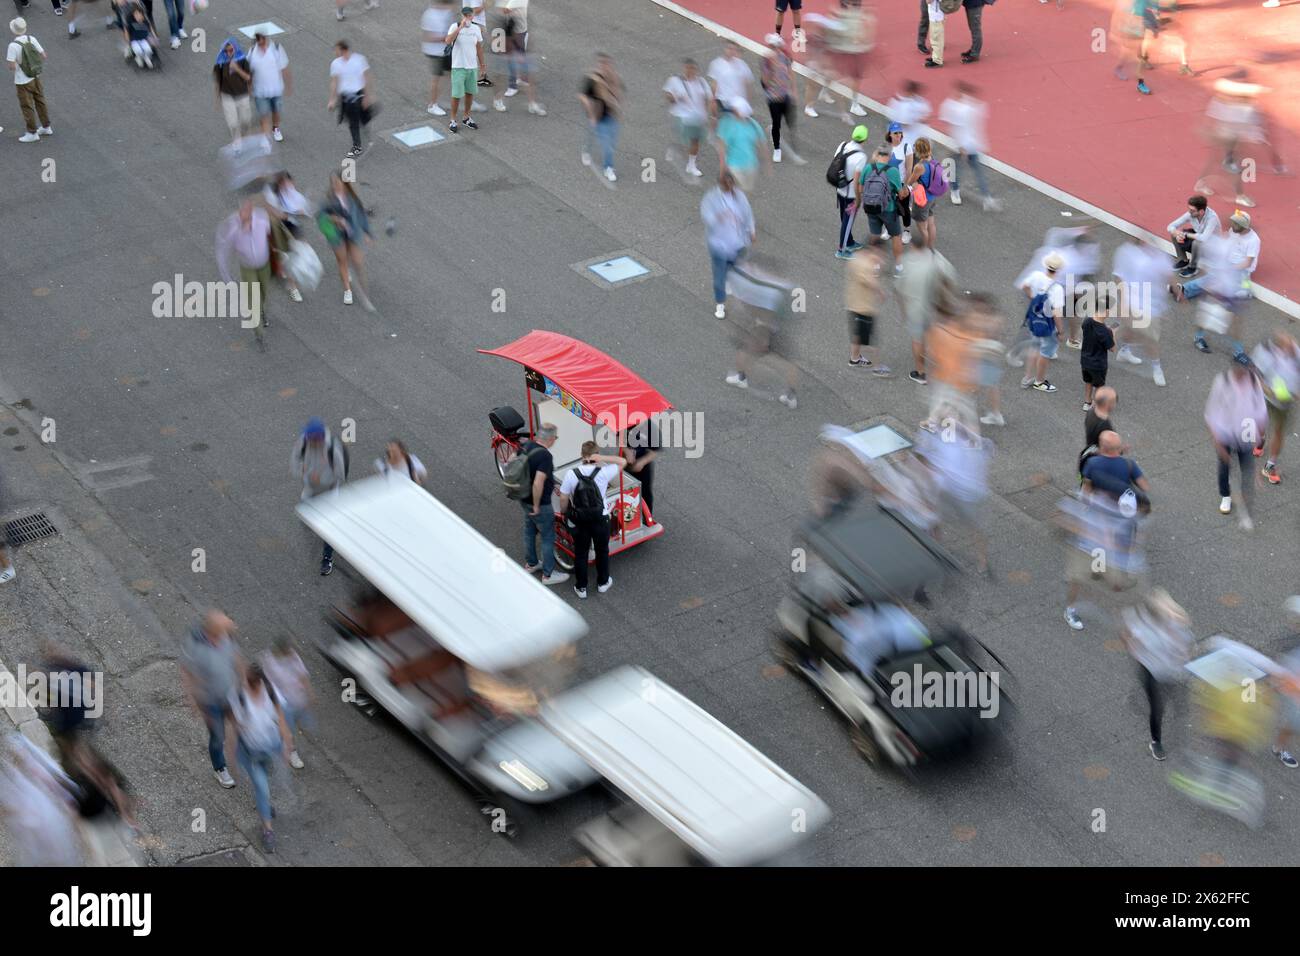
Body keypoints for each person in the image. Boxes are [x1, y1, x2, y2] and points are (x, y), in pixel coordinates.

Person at [1063, 430, 1149, 630]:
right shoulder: (1129, 464)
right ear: (1117, 448)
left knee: (1082, 571)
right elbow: (1144, 485)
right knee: (1117, 559)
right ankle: (1110, 579)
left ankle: (1072, 607)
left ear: (1101, 448)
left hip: (1097, 524)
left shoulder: (1092, 464)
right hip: (1119, 523)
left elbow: (1085, 494)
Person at [1174, 210, 1258, 364]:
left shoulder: (1246, 240)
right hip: (1218, 286)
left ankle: (1238, 352)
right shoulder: (1221, 241)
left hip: (1233, 284)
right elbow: (1208, 265)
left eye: (1236, 224)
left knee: (1235, 321)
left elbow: (1246, 263)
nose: (1233, 226)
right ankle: (1198, 337)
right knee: (1207, 314)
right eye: (1232, 223)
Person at [1121, 589, 1193, 761]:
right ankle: (1156, 741)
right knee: (1157, 708)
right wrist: (1133, 647)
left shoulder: (1171, 620)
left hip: (1170, 670)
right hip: (1151, 671)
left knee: (1178, 703)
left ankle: (1180, 733)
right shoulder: (1139, 624)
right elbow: (1127, 636)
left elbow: (1184, 633)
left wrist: (1184, 654)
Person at [229, 663, 293, 853]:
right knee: (262, 788)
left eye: (255, 684)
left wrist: (287, 741)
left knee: (270, 777)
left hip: (271, 745)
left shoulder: (270, 690)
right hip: (251, 753)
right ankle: (268, 830)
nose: (253, 687)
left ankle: (265, 805)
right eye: (250, 683)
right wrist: (232, 751)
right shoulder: (239, 695)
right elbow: (233, 725)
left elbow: (280, 716)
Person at [179, 610, 244, 790]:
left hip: (230, 693)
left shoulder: (227, 637)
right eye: (225, 627)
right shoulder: (195, 644)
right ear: (213, 630)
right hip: (209, 700)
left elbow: (236, 657)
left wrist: (243, 679)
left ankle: (244, 756)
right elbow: (187, 672)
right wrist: (194, 701)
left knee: (241, 724)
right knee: (218, 737)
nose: (230, 628)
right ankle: (220, 768)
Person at [724, 254, 800, 409]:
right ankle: (790, 394)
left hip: (766, 325)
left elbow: (758, 307)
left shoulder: (752, 282)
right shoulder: (780, 286)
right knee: (786, 358)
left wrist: (763, 329)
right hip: (775, 323)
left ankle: (741, 377)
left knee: (745, 347)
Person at [556, 441, 627, 599]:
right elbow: (623, 462)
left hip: (581, 519)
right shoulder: (603, 472)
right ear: (596, 454)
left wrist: (564, 513)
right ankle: (603, 583)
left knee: (581, 553)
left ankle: (581, 588)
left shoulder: (571, 474)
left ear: (582, 455)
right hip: (600, 518)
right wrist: (602, 457)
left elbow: (563, 498)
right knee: (602, 550)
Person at [1204, 363, 1266, 529]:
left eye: (1245, 371)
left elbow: (1260, 408)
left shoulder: (1253, 381)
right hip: (1225, 432)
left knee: (1248, 468)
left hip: (1245, 430)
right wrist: (1217, 440)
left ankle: (1246, 500)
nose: (1242, 374)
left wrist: (1259, 432)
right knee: (1224, 466)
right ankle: (1225, 495)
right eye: (1239, 371)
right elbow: (1212, 411)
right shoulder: (1222, 381)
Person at [897, 229, 957, 385]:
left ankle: (921, 372)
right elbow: (950, 277)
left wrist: (904, 310)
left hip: (915, 308)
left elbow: (900, 289)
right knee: (936, 336)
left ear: (912, 245)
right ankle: (944, 367)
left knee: (918, 340)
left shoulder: (907, 261)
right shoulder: (936, 258)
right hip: (934, 306)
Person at [291, 417, 348, 574]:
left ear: (319, 438)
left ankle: (327, 558)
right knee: (304, 508)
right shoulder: (304, 442)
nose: (307, 440)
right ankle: (312, 520)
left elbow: (341, 475)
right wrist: (303, 472)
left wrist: (321, 477)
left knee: (328, 528)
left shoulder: (332, 450)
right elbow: (295, 460)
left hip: (329, 491)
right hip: (311, 488)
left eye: (310, 438)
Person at [215, 199, 273, 350]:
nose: (242, 214)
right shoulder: (234, 229)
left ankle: (261, 310)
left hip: (264, 265)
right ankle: (259, 334)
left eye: (247, 210)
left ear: (252, 210)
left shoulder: (261, 219)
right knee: (253, 299)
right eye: (241, 211)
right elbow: (223, 252)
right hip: (248, 269)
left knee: (264, 292)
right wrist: (227, 278)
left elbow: (270, 233)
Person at [1111, 239, 1169, 386]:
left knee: (1129, 331)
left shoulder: (1156, 257)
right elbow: (1118, 278)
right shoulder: (1127, 253)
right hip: (1133, 303)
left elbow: (1164, 279)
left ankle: (1123, 350)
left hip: (1149, 306)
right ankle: (1157, 369)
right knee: (1149, 338)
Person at [700, 169, 754, 320]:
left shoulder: (739, 196)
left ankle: (729, 277)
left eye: (731, 183)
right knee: (719, 277)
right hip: (719, 246)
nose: (729, 187)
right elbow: (707, 216)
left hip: (737, 243)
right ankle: (720, 305)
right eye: (726, 184)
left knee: (734, 267)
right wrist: (719, 217)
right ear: (720, 184)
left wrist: (752, 230)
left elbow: (748, 213)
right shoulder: (712, 198)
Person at [519, 423, 569, 585]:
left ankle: (531, 564)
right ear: (550, 438)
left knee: (529, 531)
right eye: (556, 437)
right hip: (539, 504)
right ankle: (548, 575)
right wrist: (536, 505)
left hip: (523, 498)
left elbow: (516, 464)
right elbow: (538, 483)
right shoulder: (545, 456)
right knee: (548, 537)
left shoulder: (526, 445)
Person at [939, 82, 1000, 210]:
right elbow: (954, 128)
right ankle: (955, 191)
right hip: (959, 146)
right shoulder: (951, 106)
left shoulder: (966, 104)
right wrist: (961, 147)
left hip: (971, 145)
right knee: (957, 170)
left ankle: (986, 197)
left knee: (977, 171)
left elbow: (975, 119)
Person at [1251, 333, 1300, 485]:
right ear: (1278, 346)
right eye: (1288, 346)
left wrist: (1296, 394)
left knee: (1279, 432)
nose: (1292, 348)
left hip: (1284, 403)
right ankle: (1260, 441)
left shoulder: (1296, 353)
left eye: (1292, 345)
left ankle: (1269, 466)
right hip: (1265, 397)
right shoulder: (1265, 352)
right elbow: (1255, 375)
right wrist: (1268, 390)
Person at [320, 173, 374, 310]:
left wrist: (367, 232)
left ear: (344, 183)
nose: (335, 185)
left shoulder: (352, 198)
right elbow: (321, 216)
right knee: (342, 261)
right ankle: (347, 290)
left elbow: (360, 215)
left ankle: (364, 292)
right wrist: (336, 220)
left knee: (358, 262)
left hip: (352, 234)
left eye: (337, 182)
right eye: (333, 182)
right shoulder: (330, 200)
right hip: (336, 235)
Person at [260, 636, 314, 771]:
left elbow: (302, 673)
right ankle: (291, 752)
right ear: (281, 651)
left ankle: (276, 743)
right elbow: (269, 682)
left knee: (287, 726)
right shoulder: (270, 660)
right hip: (282, 701)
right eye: (287, 650)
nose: (291, 652)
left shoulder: (292, 656)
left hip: (297, 698)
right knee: (288, 729)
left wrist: (309, 692)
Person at [1018, 251, 1066, 393]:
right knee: (1046, 352)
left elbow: (1025, 286)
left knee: (1034, 346)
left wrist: (1033, 297)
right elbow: (1057, 313)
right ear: (1059, 270)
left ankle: (1027, 377)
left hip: (1034, 318)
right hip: (1048, 324)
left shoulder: (1036, 275)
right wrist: (1061, 331)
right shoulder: (1057, 288)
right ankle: (1039, 381)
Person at [856, 145, 907, 274]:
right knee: (896, 236)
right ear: (889, 157)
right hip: (888, 209)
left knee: (875, 235)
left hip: (870, 207)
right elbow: (901, 194)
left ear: (877, 155)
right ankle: (899, 267)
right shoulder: (893, 171)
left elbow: (861, 188)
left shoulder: (868, 168)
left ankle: (875, 266)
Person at [263, 171, 312, 304]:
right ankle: (277, 265)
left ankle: (292, 285)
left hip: (291, 225)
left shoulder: (295, 195)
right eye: (283, 183)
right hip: (276, 226)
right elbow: (269, 209)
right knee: (280, 251)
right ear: (279, 184)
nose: (287, 186)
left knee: (295, 254)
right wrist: (280, 213)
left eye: (289, 183)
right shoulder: (271, 194)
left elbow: (305, 211)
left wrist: (302, 212)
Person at [845, 243, 890, 375]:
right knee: (871, 337)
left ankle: (855, 358)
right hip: (863, 306)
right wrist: (881, 292)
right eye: (880, 253)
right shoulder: (865, 265)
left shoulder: (856, 258)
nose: (881, 256)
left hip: (854, 303)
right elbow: (870, 281)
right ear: (874, 250)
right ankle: (877, 367)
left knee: (858, 333)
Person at [663, 58, 710, 179]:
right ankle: (675, 149)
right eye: (688, 68)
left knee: (695, 141)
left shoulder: (702, 82)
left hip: (696, 117)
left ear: (697, 70)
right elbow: (668, 97)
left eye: (693, 69)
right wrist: (677, 97)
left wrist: (707, 114)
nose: (690, 71)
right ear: (684, 68)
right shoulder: (675, 81)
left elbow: (708, 99)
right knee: (686, 141)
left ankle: (691, 165)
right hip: (680, 116)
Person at [579, 52, 622, 183]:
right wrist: (591, 113)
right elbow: (582, 95)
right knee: (605, 143)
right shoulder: (592, 79)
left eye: (607, 63)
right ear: (599, 65)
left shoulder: (613, 77)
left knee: (612, 141)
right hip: (597, 115)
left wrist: (618, 106)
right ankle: (608, 168)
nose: (605, 66)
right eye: (602, 63)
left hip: (611, 114)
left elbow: (618, 95)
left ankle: (587, 150)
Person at [760, 33, 802, 165]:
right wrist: (772, 91)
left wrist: (794, 91)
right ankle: (777, 149)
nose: (775, 49)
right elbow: (765, 81)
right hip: (774, 97)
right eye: (773, 47)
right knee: (777, 123)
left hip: (785, 95)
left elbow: (791, 73)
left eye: (776, 47)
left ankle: (789, 139)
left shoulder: (785, 58)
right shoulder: (766, 60)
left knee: (790, 120)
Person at [7, 18, 51, 143]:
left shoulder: (13, 46)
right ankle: (46, 126)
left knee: (27, 106)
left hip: (22, 81)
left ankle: (32, 132)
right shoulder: (32, 39)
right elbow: (43, 55)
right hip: (35, 76)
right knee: (40, 101)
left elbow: (12, 66)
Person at [328, 39, 374, 157]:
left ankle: (357, 146)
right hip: (345, 97)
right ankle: (361, 135)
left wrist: (366, 97)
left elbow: (366, 78)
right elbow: (334, 82)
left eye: (337, 50)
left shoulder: (358, 60)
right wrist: (332, 99)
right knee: (353, 120)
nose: (335, 52)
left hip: (358, 94)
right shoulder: (336, 63)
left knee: (354, 122)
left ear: (344, 50)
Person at [831, 124, 870, 259]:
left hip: (839, 189)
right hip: (851, 195)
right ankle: (841, 250)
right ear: (865, 140)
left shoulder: (842, 145)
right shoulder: (861, 156)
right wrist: (858, 200)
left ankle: (850, 241)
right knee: (847, 222)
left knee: (844, 218)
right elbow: (858, 181)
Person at [498, 0, 543, 114]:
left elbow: (505, 10)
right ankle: (523, 79)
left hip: (516, 33)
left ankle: (513, 86)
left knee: (512, 59)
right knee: (520, 56)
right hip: (520, 31)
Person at [967, 294, 1006, 427]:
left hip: (982, 353)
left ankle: (965, 411)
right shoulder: (996, 318)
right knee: (992, 384)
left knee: (972, 383)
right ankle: (996, 414)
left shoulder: (981, 319)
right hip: (993, 352)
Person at [714, 97, 767, 193]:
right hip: (734, 166)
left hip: (751, 165)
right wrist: (723, 171)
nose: (732, 113)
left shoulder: (753, 125)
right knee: (737, 191)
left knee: (746, 191)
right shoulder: (727, 125)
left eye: (735, 111)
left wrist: (767, 163)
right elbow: (722, 149)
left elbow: (762, 144)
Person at [444, 6, 481, 132]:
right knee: (456, 95)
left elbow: (479, 47)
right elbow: (448, 40)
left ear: (473, 16)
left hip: (472, 67)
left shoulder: (476, 28)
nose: (467, 18)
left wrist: (483, 65)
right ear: (462, 16)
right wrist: (460, 28)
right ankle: (453, 120)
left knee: (470, 93)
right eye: (465, 15)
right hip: (458, 66)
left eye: (469, 15)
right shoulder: (455, 26)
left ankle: (466, 117)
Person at [248, 32, 290, 142]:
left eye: (262, 41)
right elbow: (249, 71)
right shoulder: (252, 51)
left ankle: (275, 128)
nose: (261, 44)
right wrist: (249, 86)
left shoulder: (276, 48)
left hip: (276, 89)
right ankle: (265, 135)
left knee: (276, 111)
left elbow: (284, 67)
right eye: (258, 42)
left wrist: (288, 85)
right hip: (260, 91)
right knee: (264, 114)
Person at [1166, 194, 1220, 278]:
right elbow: (1170, 226)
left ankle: (1193, 268)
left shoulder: (1212, 218)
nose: (1189, 212)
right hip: (1199, 238)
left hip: (1212, 246)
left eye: (1192, 210)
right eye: (1189, 209)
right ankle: (1183, 260)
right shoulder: (1191, 214)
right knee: (1174, 235)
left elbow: (1204, 238)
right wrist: (1176, 233)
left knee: (1197, 242)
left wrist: (1185, 234)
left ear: (1201, 211)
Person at [1079, 289, 1116, 410]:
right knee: (1099, 385)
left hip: (1085, 361)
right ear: (1106, 311)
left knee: (1088, 381)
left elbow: (1090, 330)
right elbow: (1112, 348)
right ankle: (1095, 406)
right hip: (1098, 364)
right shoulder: (1105, 332)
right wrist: (1112, 333)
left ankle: (1087, 402)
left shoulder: (1087, 321)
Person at [214, 38, 252, 148]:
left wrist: (237, 69)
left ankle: (246, 137)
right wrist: (217, 99)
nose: (229, 53)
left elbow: (248, 77)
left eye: (231, 50)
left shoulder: (242, 60)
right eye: (226, 51)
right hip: (227, 96)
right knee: (233, 124)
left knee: (245, 121)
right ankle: (237, 143)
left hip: (242, 94)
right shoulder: (220, 62)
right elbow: (218, 81)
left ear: (235, 49)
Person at [904, 137, 941, 249]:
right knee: (931, 222)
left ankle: (923, 249)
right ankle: (931, 246)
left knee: (922, 227)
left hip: (922, 199)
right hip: (932, 196)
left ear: (918, 150)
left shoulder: (919, 167)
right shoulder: (933, 159)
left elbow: (910, 181)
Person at [421, 0, 456, 116]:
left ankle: (443, 98)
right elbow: (427, 37)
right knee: (437, 78)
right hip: (435, 52)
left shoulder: (448, 11)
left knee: (453, 73)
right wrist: (446, 37)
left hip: (446, 49)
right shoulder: (429, 15)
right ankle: (432, 105)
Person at [624, 419, 659, 523]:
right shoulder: (625, 421)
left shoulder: (651, 429)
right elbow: (619, 438)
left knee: (645, 493)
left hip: (643, 465)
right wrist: (626, 451)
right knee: (626, 491)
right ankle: (628, 519)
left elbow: (654, 451)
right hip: (626, 461)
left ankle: (647, 520)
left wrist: (642, 462)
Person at [707, 40, 752, 116]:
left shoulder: (742, 65)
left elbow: (747, 85)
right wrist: (712, 102)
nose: (732, 51)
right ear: (725, 49)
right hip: (724, 102)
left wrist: (748, 102)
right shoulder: (717, 64)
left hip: (740, 104)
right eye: (729, 48)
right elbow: (714, 85)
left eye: (734, 49)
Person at [923, 0, 945, 68]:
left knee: (936, 38)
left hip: (936, 16)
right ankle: (936, 56)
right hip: (937, 15)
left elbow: (928, 1)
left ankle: (937, 61)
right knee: (936, 37)